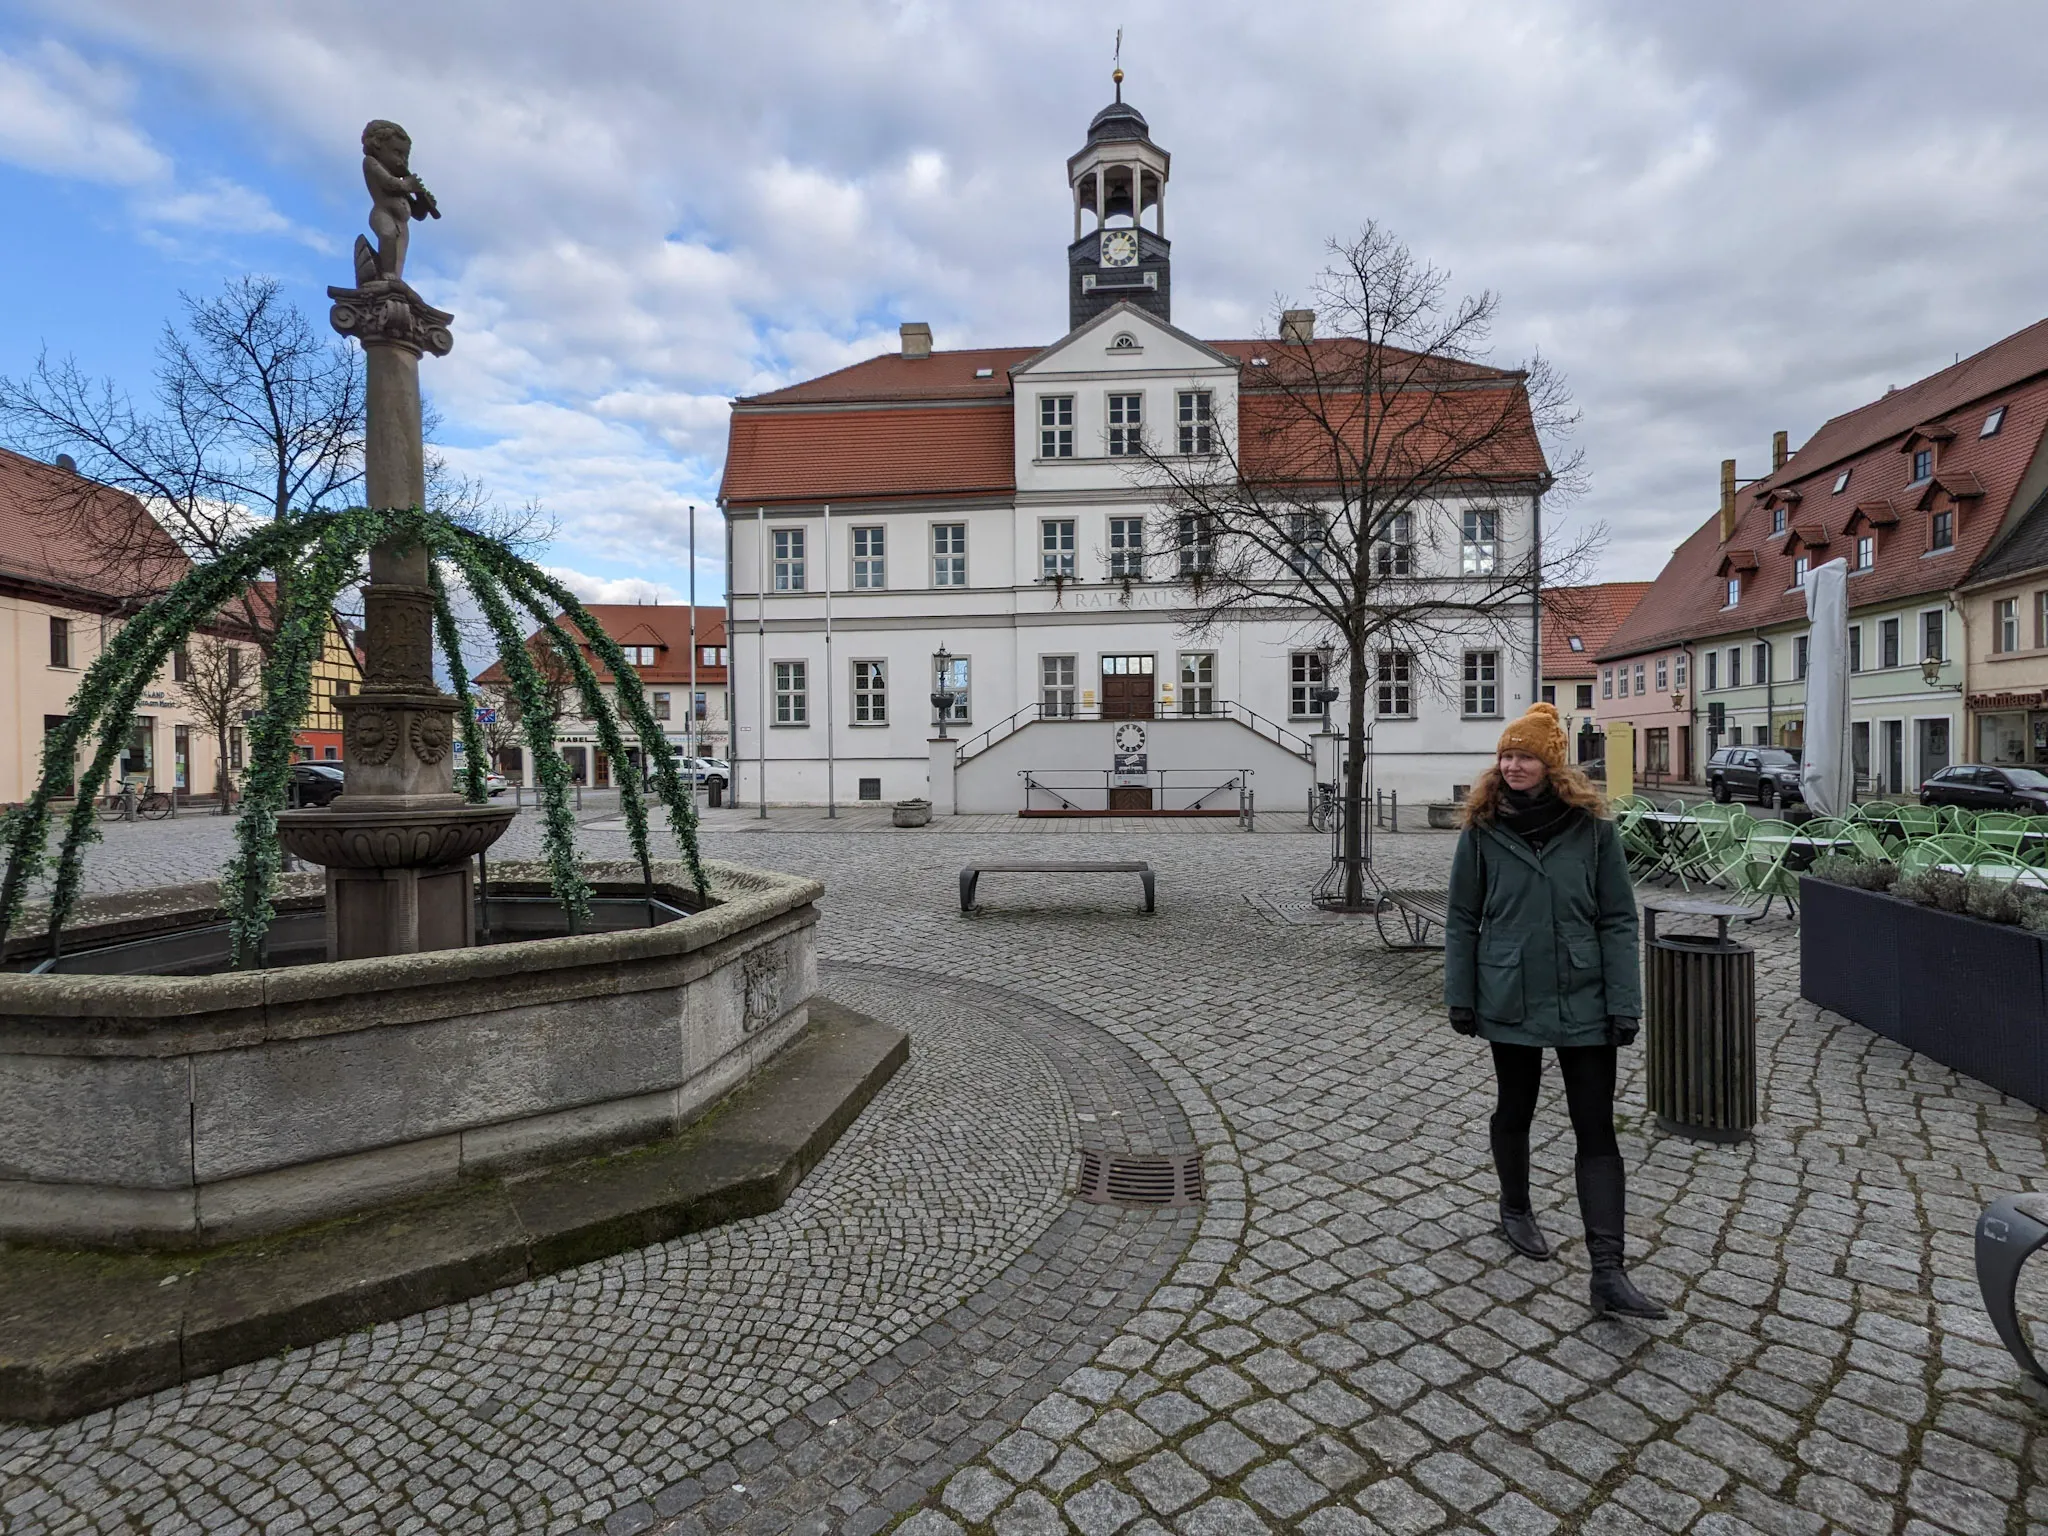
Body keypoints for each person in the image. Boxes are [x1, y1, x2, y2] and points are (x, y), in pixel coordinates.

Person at [1443, 702, 1667, 1319]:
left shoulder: (1593, 829)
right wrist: (1459, 994)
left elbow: (1619, 917)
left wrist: (1625, 1001)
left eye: (1527, 757)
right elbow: (1462, 917)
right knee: (1514, 1106)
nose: (1514, 766)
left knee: (1595, 1125)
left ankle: (1608, 1270)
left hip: (1584, 990)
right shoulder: (1483, 829)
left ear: (1552, 764)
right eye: (1507, 756)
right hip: (1509, 989)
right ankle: (1515, 1208)